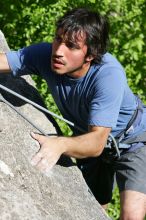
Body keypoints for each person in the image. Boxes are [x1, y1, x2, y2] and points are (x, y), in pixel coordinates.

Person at [0, 7, 146, 219]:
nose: (59, 50)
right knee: (94, 208)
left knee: (131, 216)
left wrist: (60, 143)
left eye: (71, 46)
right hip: (90, 137)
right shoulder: (46, 55)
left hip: (133, 141)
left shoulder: (108, 75)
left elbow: (96, 142)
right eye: (58, 39)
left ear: (91, 54)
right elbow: (5, 61)